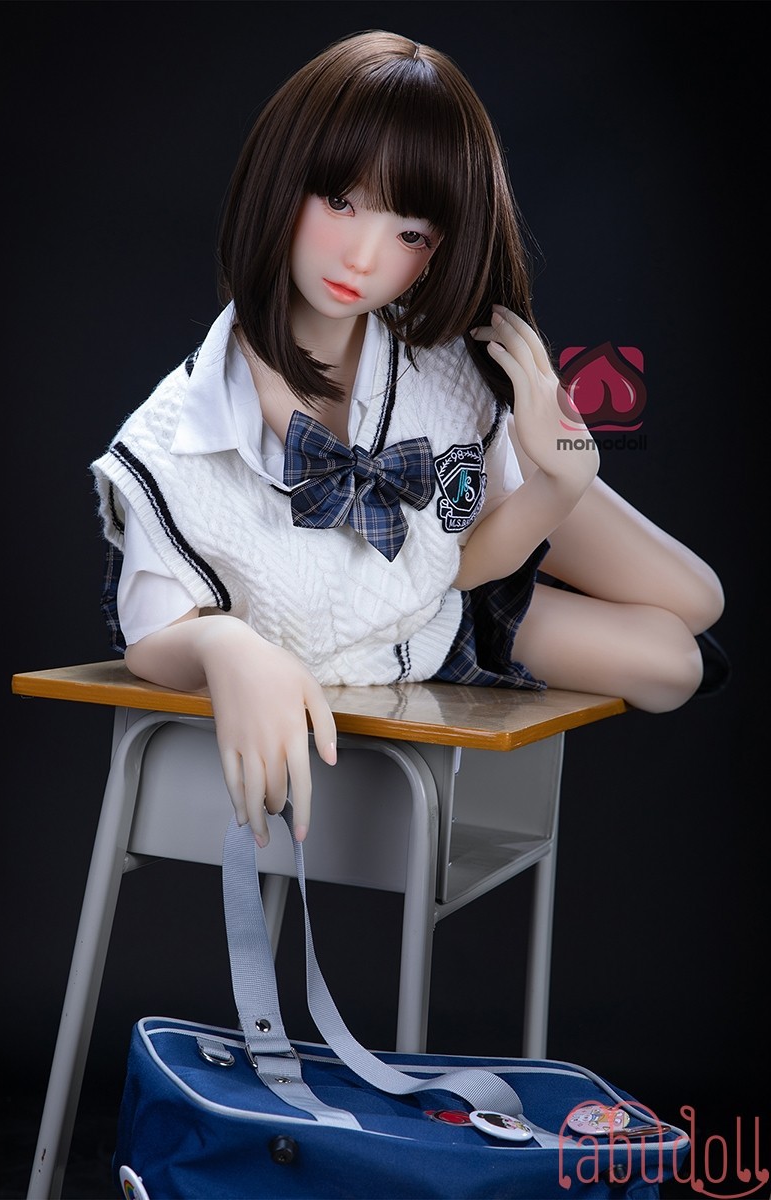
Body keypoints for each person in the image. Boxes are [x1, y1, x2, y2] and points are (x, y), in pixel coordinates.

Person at [91, 30, 725, 850]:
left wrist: (559, 483)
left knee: (700, 599)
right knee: (675, 664)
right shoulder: (175, 435)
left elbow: (457, 559)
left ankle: (550, 499)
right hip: (422, 633)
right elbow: (150, 638)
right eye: (341, 201)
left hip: (449, 573)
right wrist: (223, 645)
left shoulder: (440, 371)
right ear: (282, 180)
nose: (362, 256)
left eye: (411, 233)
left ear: (438, 250)